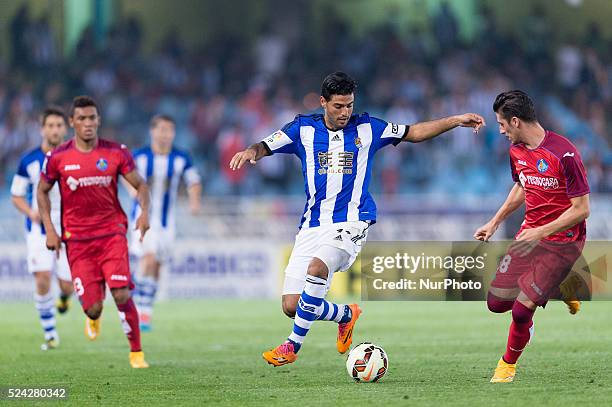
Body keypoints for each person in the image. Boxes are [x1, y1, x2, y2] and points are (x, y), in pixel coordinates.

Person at [230, 72, 485, 366]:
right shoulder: (303, 129)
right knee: (291, 305)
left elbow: (413, 132)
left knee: (318, 267)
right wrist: (251, 151)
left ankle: (291, 345)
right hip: (313, 224)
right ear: (323, 102)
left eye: (349, 105)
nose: (345, 112)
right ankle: (346, 315)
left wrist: (455, 120)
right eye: (338, 106)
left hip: (352, 221)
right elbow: (266, 145)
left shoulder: (368, 128)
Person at [474, 90, 590, 383]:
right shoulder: (517, 151)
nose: (500, 130)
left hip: (563, 242)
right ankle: (562, 286)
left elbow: (582, 210)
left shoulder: (565, 154)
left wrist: (540, 232)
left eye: (502, 124)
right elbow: (522, 187)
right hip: (529, 236)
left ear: (515, 121)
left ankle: (507, 365)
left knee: (521, 309)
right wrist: (495, 221)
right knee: (496, 303)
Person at [37, 95, 152, 368]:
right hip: (77, 241)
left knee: (122, 293)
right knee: (93, 306)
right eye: (81, 119)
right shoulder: (58, 157)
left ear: (98, 120)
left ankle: (136, 353)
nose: (87, 123)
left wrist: (144, 212)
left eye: (92, 118)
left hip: (112, 234)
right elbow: (42, 191)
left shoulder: (116, 152)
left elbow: (141, 185)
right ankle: (93, 312)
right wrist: (50, 230)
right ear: (72, 123)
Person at [130, 114, 202, 331]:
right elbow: (126, 178)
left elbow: (194, 181)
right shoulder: (140, 156)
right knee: (149, 258)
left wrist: (194, 201)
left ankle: (145, 312)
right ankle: (134, 299)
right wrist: (134, 192)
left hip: (166, 222)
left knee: (157, 266)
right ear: (152, 131)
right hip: (142, 218)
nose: (165, 134)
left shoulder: (181, 158)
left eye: (169, 130)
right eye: (161, 129)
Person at [10, 106, 73, 350]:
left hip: (68, 230)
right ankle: (50, 334)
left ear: (65, 129)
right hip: (38, 230)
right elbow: (16, 195)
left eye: (59, 125)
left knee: (67, 284)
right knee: (43, 277)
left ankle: (65, 298)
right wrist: (30, 212)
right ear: (42, 129)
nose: (55, 130)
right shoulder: (29, 160)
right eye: (50, 125)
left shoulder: (73, 157)